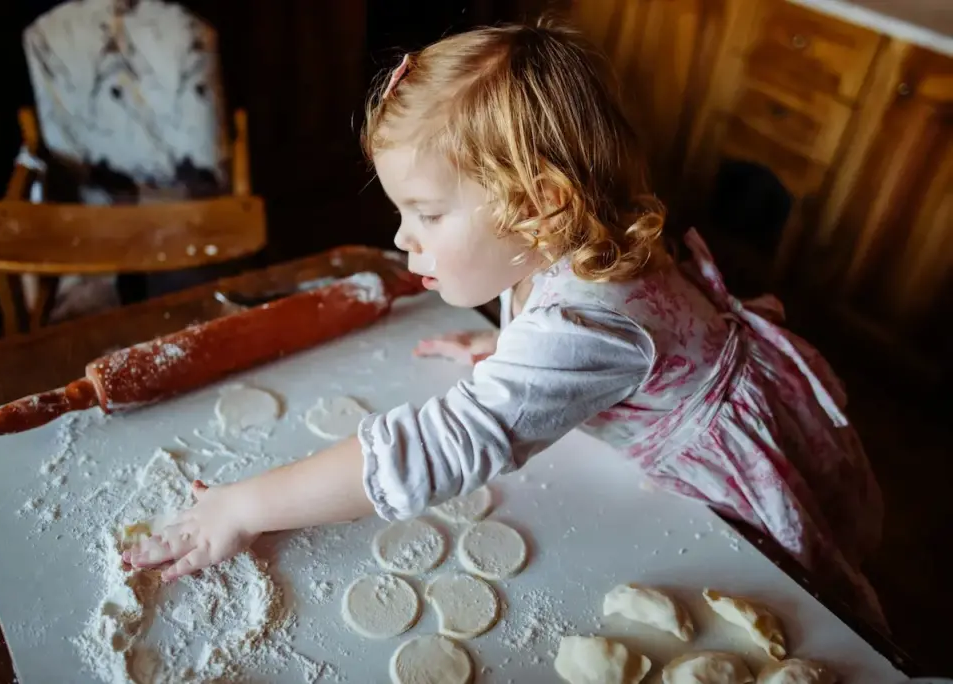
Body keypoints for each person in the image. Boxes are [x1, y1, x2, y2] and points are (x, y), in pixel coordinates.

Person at [124, 19, 885, 625]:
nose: (400, 238)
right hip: (721, 390)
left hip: (724, 474)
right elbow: (604, 343)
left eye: (425, 212)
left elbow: (448, 443)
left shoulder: (590, 320)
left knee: (802, 621)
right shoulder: (578, 235)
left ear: (540, 207)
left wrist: (246, 504)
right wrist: (509, 349)